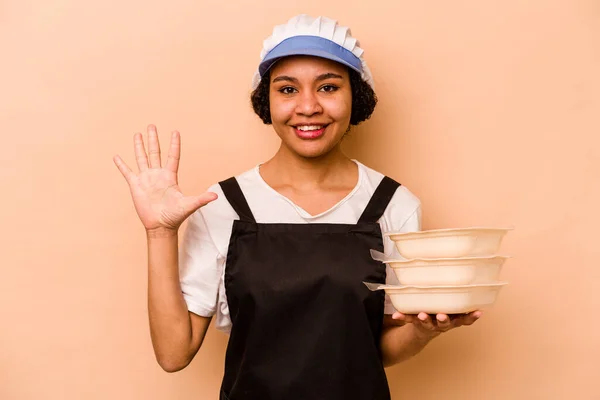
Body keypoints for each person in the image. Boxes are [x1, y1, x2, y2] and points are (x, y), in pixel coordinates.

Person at [113, 14, 482, 400]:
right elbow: (174, 353)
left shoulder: (393, 204)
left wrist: (422, 330)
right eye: (287, 89)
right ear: (266, 101)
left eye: (327, 87)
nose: (307, 107)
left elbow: (370, 350)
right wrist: (159, 233)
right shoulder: (222, 204)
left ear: (355, 96)